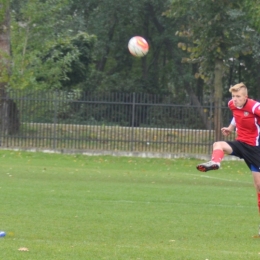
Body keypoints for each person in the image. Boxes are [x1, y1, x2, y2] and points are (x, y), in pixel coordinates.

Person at [196, 83, 260, 215]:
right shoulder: (232, 104)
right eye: (233, 96)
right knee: (218, 144)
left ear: (245, 97)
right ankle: (215, 163)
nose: (235, 99)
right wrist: (230, 128)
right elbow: (236, 115)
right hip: (240, 144)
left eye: (238, 96)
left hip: (255, 149)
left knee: (258, 187)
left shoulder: (255, 107)